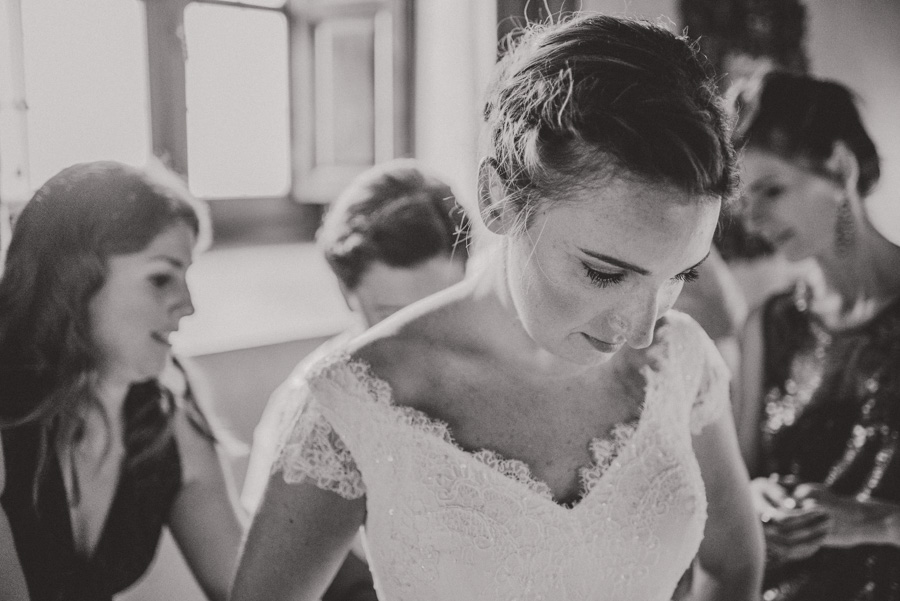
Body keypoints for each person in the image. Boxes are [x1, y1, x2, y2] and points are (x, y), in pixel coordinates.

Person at [232, 14, 763, 601]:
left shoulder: (683, 360)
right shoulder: (354, 399)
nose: (641, 330)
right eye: (604, 272)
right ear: (498, 198)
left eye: (678, 276)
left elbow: (735, 565)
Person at [0, 161, 244, 601]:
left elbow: (251, 591)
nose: (187, 306)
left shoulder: (169, 423)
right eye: (161, 278)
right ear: (76, 278)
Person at [731, 70, 900, 600]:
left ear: (841, 166)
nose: (754, 220)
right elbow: (738, 482)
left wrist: (874, 523)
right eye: (744, 200)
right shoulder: (769, 324)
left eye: (772, 190)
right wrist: (760, 503)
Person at [242, 158, 470, 513]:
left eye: (443, 311)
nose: (426, 339)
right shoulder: (313, 404)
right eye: (395, 319)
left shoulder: (509, 373)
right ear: (346, 293)